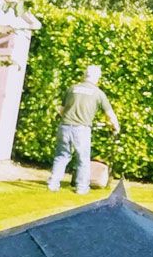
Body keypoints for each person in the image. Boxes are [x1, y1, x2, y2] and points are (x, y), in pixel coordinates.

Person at [48, 65, 121, 194]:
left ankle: (53, 184)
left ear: (84, 75)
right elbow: (109, 114)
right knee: (83, 159)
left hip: (64, 126)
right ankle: (81, 188)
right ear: (97, 77)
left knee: (61, 156)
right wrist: (116, 126)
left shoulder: (72, 89)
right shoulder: (98, 93)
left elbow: (61, 109)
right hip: (81, 129)